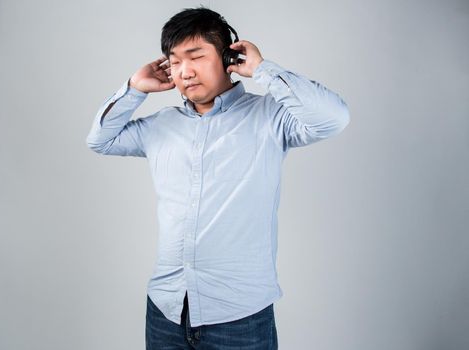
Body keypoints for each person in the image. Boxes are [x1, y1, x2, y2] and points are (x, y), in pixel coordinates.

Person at [86, 6, 350, 349]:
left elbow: (334, 118)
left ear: (227, 57)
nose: (185, 71)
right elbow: (100, 140)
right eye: (175, 61)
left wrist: (263, 70)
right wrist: (135, 88)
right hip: (166, 311)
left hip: (238, 317)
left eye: (195, 57)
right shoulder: (160, 126)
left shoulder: (270, 118)